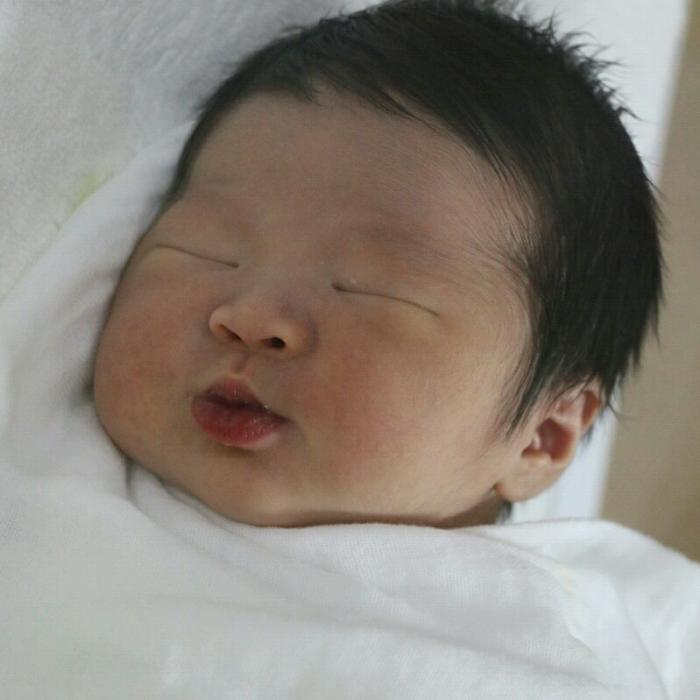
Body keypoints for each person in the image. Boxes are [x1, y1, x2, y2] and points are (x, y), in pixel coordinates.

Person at [92, 0, 663, 530]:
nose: (251, 317)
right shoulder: (60, 483)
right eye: (207, 251)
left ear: (542, 434)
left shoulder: (531, 608)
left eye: (370, 288)